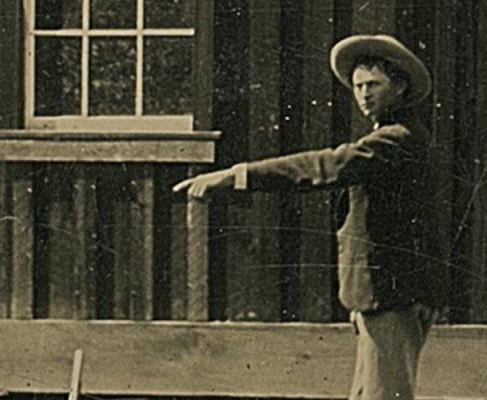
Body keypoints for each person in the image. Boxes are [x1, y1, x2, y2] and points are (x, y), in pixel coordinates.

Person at [173, 35, 440, 400]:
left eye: (374, 85)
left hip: (390, 298)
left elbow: (327, 166)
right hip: (377, 296)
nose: (363, 94)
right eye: (358, 85)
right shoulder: (392, 136)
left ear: (400, 86)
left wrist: (237, 175)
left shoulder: (398, 139)